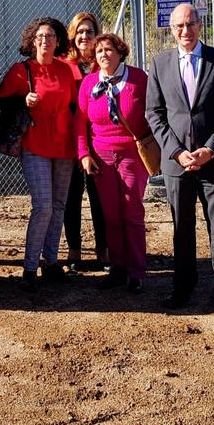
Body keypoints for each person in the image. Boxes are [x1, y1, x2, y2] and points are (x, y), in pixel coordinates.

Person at [144, 3, 214, 323]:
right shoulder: (159, 64)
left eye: (191, 24)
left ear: (201, 25)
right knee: (181, 227)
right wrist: (175, 152)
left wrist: (210, 149)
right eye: (178, 26)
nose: (185, 31)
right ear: (171, 30)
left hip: (213, 161)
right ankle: (183, 286)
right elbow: (154, 114)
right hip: (177, 164)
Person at [0, 17, 79, 288]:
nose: (46, 40)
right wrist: (22, 99)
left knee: (58, 207)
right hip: (35, 146)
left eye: (51, 36)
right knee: (42, 207)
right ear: (33, 41)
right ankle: (30, 267)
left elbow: (77, 106)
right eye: (41, 36)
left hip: (64, 147)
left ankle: (51, 261)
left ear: (58, 42)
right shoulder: (22, 71)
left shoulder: (68, 70)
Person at [75, 32, 149, 293]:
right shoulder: (89, 83)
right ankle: (117, 267)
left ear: (120, 52)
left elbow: (153, 114)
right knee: (111, 215)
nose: (104, 55)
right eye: (99, 52)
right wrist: (84, 154)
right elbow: (81, 122)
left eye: (108, 50)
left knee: (131, 212)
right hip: (101, 158)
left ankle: (137, 271)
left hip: (132, 155)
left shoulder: (139, 79)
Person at [62, 12, 107, 270]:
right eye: (80, 31)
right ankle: (74, 250)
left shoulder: (104, 62)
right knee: (72, 196)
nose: (84, 36)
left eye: (89, 31)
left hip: (99, 140)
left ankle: (104, 250)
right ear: (73, 35)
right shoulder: (63, 64)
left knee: (98, 197)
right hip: (69, 141)